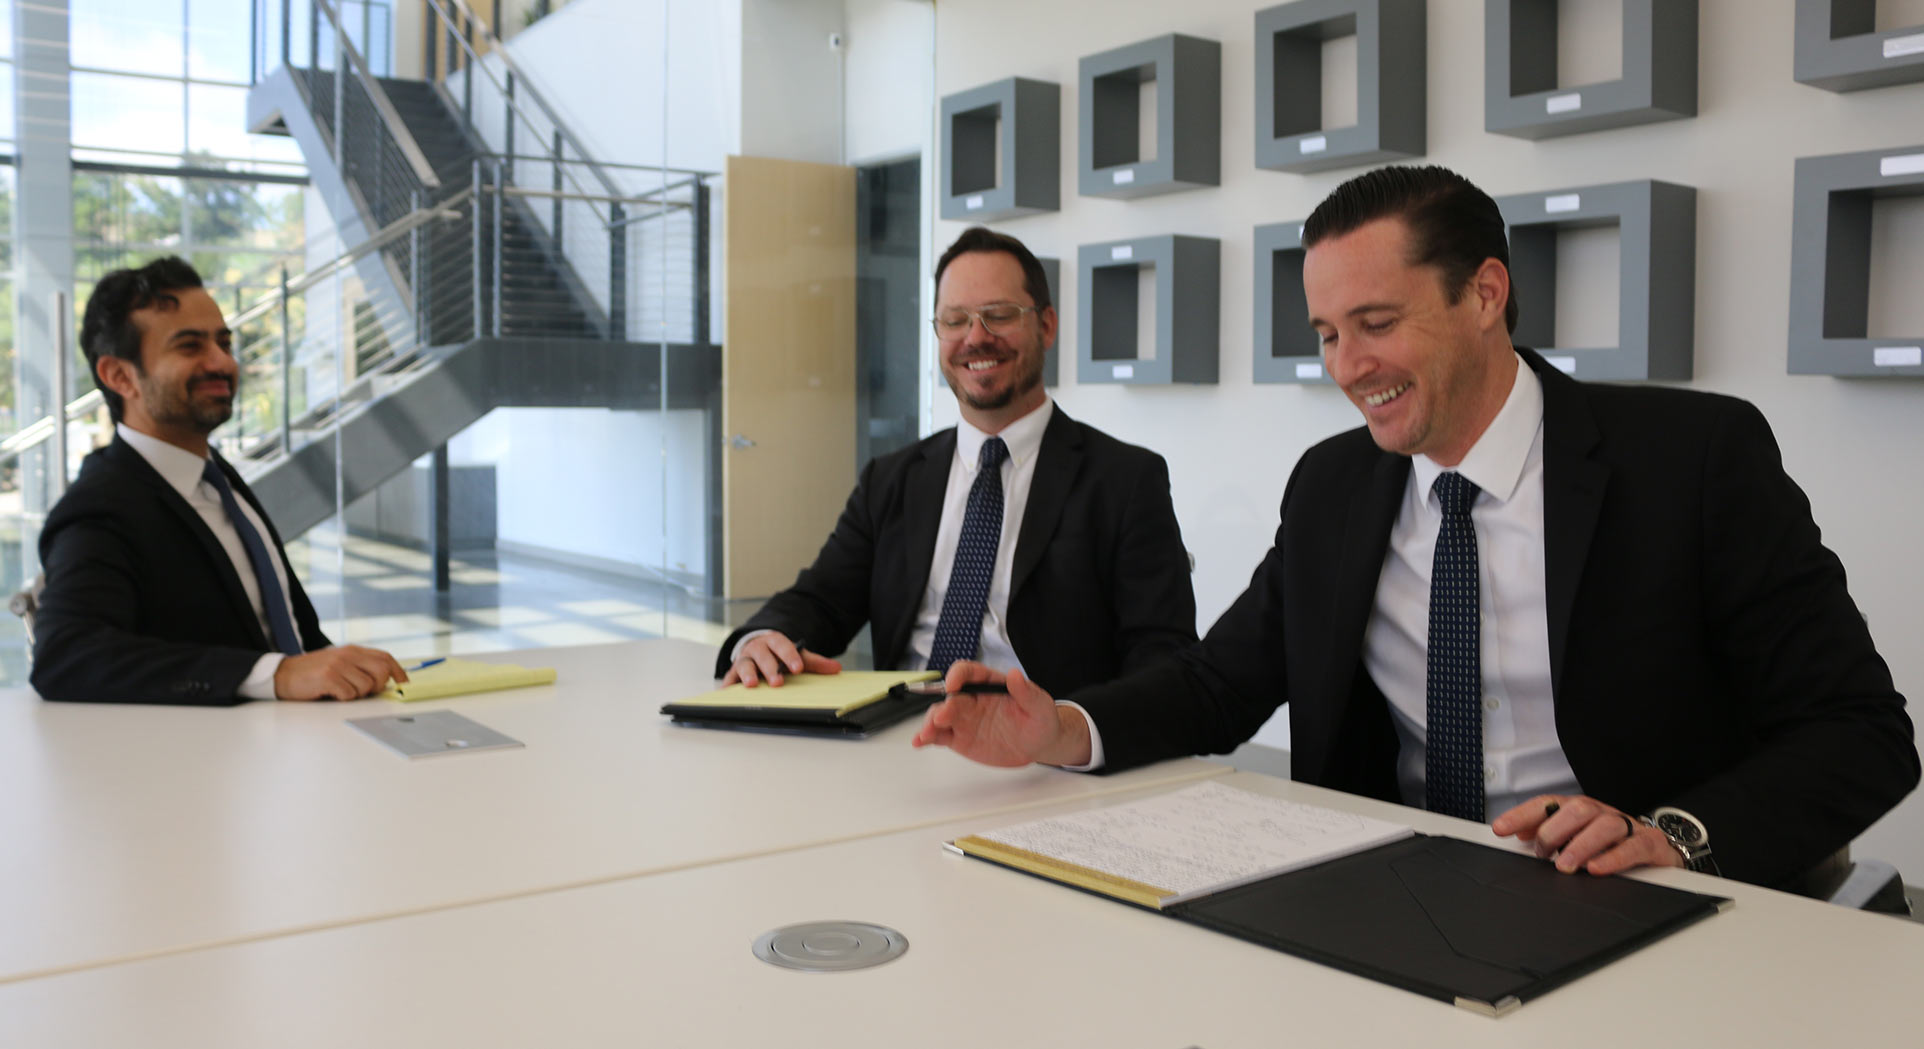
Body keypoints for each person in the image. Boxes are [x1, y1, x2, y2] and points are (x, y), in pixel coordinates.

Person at [914, 166, 1917, 891]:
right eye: (1326, 334)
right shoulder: (1333, 483)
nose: (1348, 365)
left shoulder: (1691, 459)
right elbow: (1221, 681)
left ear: (1484, 293)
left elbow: (1860, 734)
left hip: (1640, 895)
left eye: (1376, 322)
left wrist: (1670, 834)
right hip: (1399, 894)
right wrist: (1064, 728)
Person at [716, 227, 1197, 698]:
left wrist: (1074, 733)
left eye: (999, 315)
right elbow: (820, 599)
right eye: (954, 320)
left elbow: (1162, 658)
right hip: (903, 740)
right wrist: (759, 641)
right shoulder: (892, 480)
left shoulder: (1125, 481)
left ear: (1046, 325)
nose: (976, 338)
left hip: (1045, 756)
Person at [31, 256, 408, 705]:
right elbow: (67, 655)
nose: (222, 362)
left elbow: (291, 634)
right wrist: (278, 675)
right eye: (190, 347)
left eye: (224, 343)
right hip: (204, 764)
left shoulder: (218, 479)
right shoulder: (102, 506)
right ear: (119, 376)